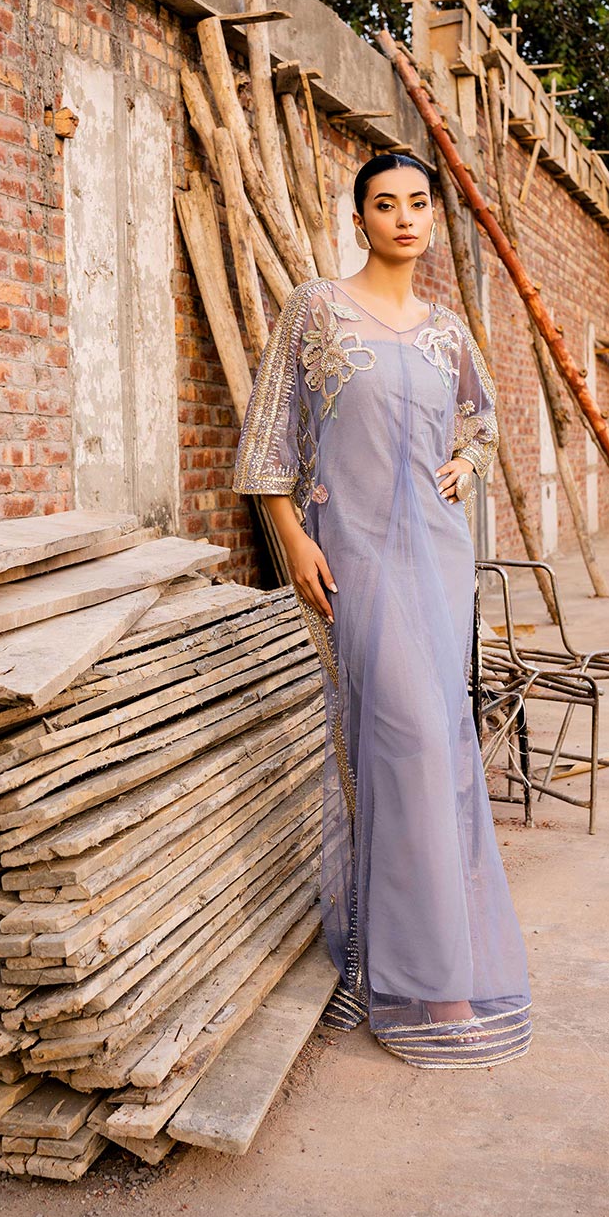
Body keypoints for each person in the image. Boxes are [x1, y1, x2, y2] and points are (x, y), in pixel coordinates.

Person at [232, 153, 532, 1068]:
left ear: (433, 221)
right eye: (384, 205)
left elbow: (482, 421)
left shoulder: (447, 332)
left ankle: (379, 962)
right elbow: (267, 441)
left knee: (435, 751)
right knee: (403, 744)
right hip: (354, 558)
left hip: (438, 564)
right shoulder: (315, 310)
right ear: (358, 218)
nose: (403, 218)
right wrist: (293, 540)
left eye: (417, 205)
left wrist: (466, 465)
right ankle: (432, 984)